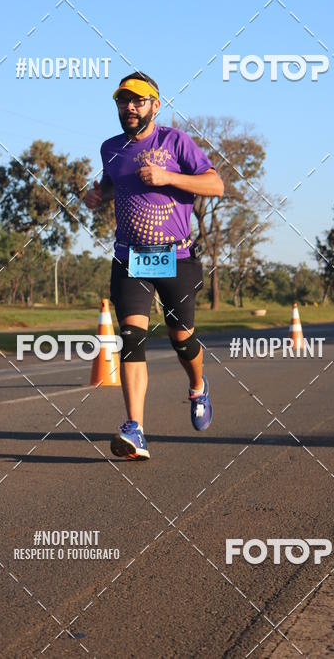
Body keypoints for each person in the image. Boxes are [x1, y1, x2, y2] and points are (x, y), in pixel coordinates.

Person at [83, 72, 224, 460]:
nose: (129, 107)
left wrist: (167, 177)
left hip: (175, 255)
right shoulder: (110, 148)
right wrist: (97, 194)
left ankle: (197, 386)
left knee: (183, 339)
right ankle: (136, 429)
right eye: (123, 101)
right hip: (130, 256)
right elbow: (113, 181)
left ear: (155, 105)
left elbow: (216, 185)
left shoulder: (176, 141)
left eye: (138, 101)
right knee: (130, 338)